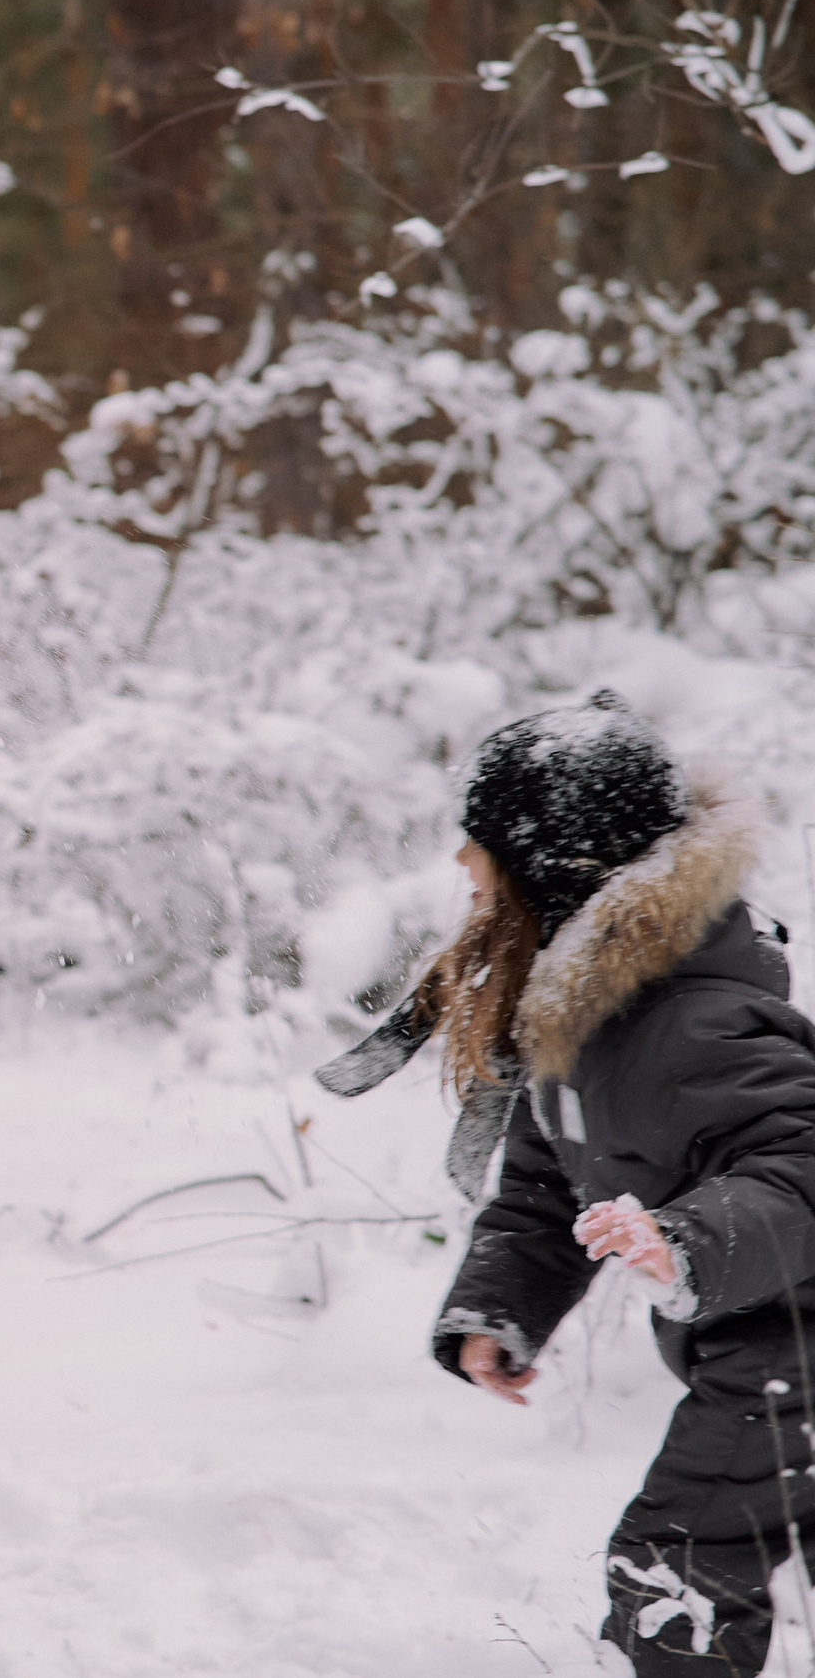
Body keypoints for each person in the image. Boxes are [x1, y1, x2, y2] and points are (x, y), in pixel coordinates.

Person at [315, 690, 815, 1673]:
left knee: (675, 1570)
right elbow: (547, 1185)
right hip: (760, 1348)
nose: (463, 864)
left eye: (481, 843)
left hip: (788, 1355)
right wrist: (498, 1307)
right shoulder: (588, 1022)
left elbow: (802, 1165)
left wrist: (687, 1237)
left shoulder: (691, 1021)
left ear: (554, 864)